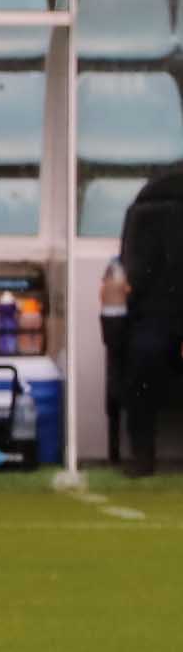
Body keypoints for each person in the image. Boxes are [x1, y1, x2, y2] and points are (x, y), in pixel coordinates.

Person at [121, 167, 183, 477]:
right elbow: (132, 275)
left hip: (158, 319)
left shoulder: (150, 202)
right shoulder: (150, 206)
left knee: (147, 350)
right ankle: (143, 454)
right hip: (156, 316)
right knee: (145, 353)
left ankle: (143, 455)